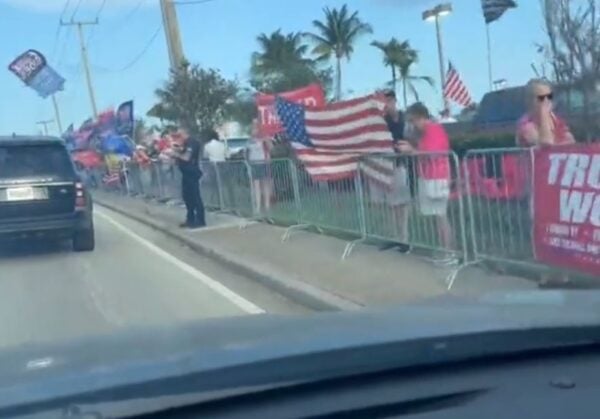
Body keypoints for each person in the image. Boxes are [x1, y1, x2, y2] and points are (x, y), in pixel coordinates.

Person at [397, 102, 455, 264]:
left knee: (441, 217)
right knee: (438, 217)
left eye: (413, 121)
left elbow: (432, 154)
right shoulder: (426, 133)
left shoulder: (433, 130)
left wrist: (411, 150)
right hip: (430, 177)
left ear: (421, 118)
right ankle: (445, 251)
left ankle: (449, 253)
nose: (412, 125)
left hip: (437, 177)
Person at [370, 90, 412, 252]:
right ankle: (393, 237)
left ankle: (404, 239)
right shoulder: (381, 120)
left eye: (387, 101)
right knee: (389, 205)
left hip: (397, 165)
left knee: (400, 205)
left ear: (393, 101)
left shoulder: (401, 118)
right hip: (382, 166)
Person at [516, 79, 575, 146]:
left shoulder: (555, 120)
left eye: (549, 97)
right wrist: (543, 113)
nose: (546, 101)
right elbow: (546, 144)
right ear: (529, 101)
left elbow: (570, 142)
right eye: (541, 98)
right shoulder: (525, 125)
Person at [171, 128, 206, 228]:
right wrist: (177, 151)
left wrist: (176, 154)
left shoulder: (192, 143)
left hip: (192, 172)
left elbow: (187, 157)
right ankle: (190, 219)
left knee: (195, 196)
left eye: (179, 135)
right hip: (186, 173)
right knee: (187, 197)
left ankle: (200, 220)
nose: (178, 137)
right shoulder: (186, 144)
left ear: (184, 134)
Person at [246, 119, 273, 215]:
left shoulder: (264, 138)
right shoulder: (249, 140)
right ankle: (258, 206)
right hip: (254, 164)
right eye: (253, 126)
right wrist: (248, 162)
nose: (255, 129)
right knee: (256, 185)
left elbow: (271, 148)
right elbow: (247, 152)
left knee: (265, 184)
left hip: (263, 162)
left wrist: (266, 140)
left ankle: (267, 205)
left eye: (256, 126)